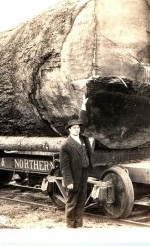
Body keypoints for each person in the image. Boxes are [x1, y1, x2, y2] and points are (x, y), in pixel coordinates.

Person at [59, 95, 93, 228]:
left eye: (78, 127)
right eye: (74, 128)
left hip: (84, 173)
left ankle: (78, 225)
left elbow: (82, 120)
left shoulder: (83, 139)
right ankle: (70, 226)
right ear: (69, 130)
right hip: (73, 176)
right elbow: (64, 167)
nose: (77, 129)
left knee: (81, 201)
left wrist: (83, 105)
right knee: (72, 202)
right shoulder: (65, 145)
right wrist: (69, 181)